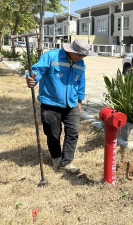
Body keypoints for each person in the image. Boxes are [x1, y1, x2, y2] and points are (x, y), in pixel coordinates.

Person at [26, 39, 97, 174]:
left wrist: (80, 102)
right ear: (71, 51)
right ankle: (56, 158)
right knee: (53, 134)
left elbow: (81, 84)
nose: (82, 58)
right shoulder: (51, 57)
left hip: (72, 104)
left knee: (73, 132)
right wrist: (31, 78)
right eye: (80, 55)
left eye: (84, 56)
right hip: (50, 103)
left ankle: (66, 162)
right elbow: (36, 71)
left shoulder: (81, 64)